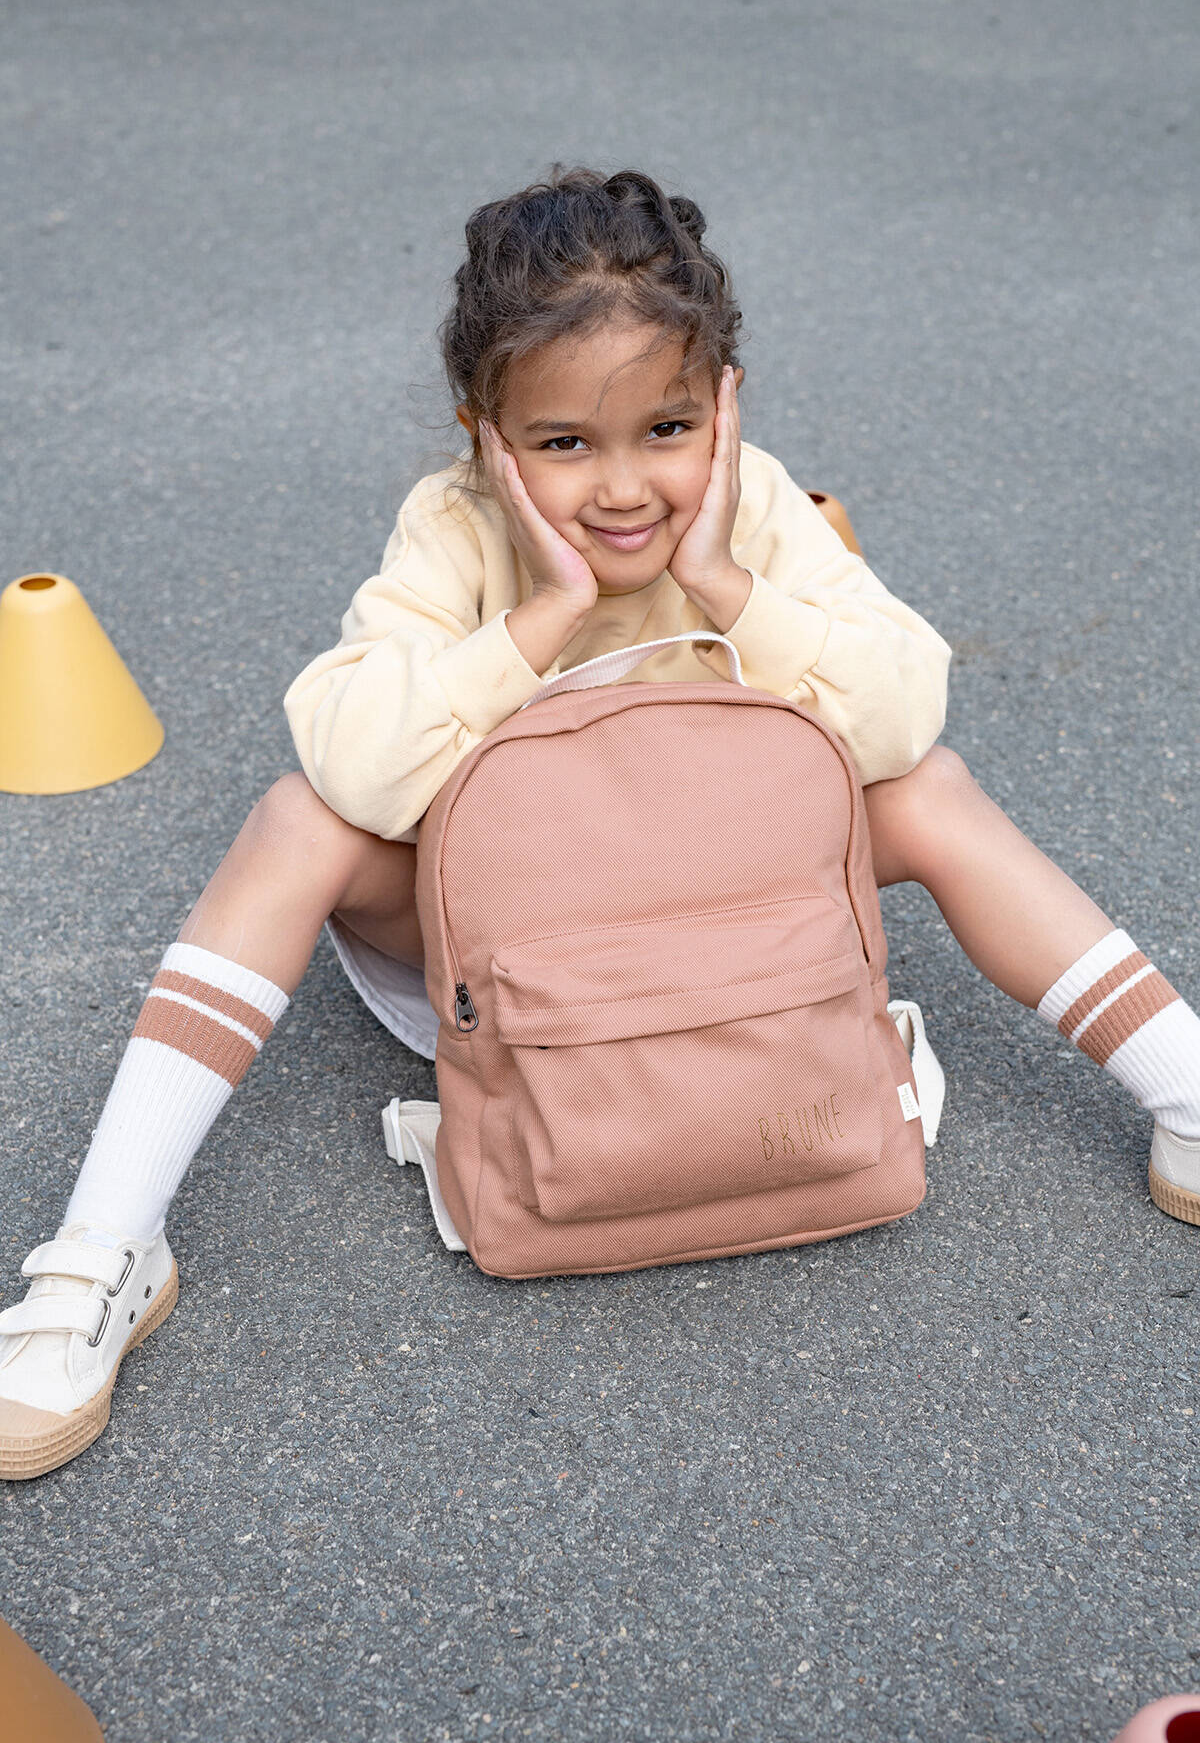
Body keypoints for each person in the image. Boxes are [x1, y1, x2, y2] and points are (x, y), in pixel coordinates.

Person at [3, 165, 1197, 1481]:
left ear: (727, 406)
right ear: (483, 437)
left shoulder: (752, 513)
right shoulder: (452, 531)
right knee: (299, 821)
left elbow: (905, 707)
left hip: (730, 946)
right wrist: (541, 617)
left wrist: (728, 582)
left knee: (926, 788)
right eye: (564, 444)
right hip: (512, 963)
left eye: (669, 429)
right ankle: (106, 1252)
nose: (623, 489)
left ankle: (1185, 1095)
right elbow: (353, 762)